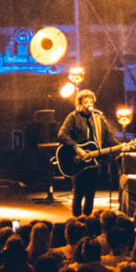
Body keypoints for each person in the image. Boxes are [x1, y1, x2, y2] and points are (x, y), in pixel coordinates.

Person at [55, 90, 114, 218]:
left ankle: (87, 220)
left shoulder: (98, 119)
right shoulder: (73, 117)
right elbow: (62, 135)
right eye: (86, 101)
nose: (89, 104)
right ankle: (76, 220)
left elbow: (109, 139)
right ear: (80, 104)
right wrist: (77, 148)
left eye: (91, 101)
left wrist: (123, 147)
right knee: (78, 193)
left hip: (93, 162)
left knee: (91, 193)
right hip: (76, 160)